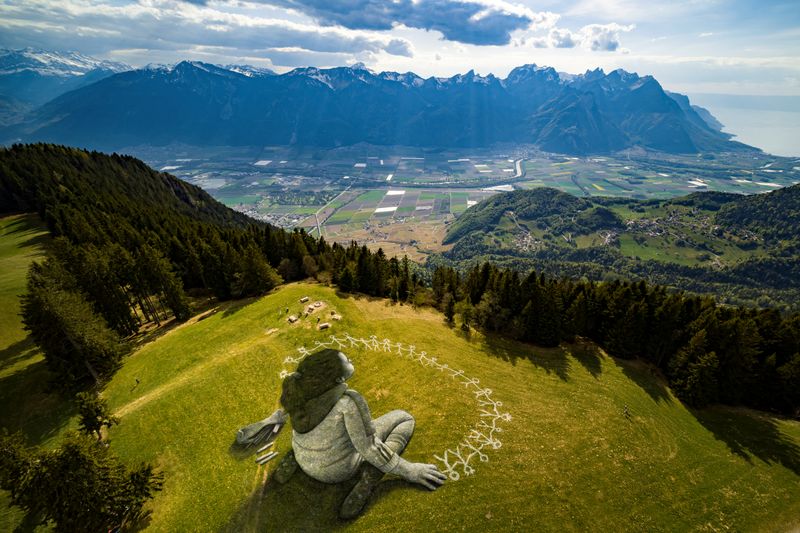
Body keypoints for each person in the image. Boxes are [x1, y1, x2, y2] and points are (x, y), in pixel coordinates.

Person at [274, 348, 446, 519]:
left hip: (304, 460)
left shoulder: (296, 390)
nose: (351, 361)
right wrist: (410, 470)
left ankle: (294, 459)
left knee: (326, 433)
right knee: (404, 418)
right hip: (336, 472)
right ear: (340, 378)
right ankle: (370, 478)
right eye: (347, 361)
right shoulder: (349, 402)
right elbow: (369, 448)